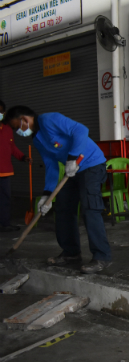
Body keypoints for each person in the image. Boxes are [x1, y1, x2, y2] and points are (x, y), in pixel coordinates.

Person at [4, 106, 112, 274]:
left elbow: (81, 130)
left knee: (90, 207)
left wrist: (72, 158)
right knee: (63, 207)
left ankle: (102, 257)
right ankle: (71, 253)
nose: (17, 131)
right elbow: (51, 166)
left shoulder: (49, 119)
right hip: (72, 170)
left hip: (91, 164)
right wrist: (46, 195)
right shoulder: (38, 139)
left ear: (25, 119)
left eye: (16, 126)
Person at [0, 100, 31, 232]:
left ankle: (5, 224)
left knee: (5, 199)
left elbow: (12, 148)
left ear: (4, 113)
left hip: (5, 171)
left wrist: (23, 157)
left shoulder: (8, 129)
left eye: (0, 111)